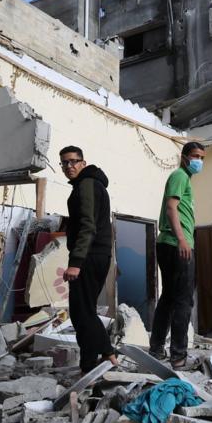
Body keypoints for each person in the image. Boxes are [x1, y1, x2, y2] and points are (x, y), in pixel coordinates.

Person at [59, 146, 117, 373]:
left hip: (90, 256)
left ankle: (106, 354)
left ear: (83, 163)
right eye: (64, 163)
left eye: (74, 162)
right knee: (85, 311)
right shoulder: (89, 184)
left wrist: (76, 262)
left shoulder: (87, 184)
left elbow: (88, 225)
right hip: (95, 254)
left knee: (81, 313)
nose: (69, 166)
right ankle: (91, 363)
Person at [149, 141, 206, 368]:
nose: (198, 161)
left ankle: (156, 349)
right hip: (176, 244)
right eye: (195, 156)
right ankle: (179, 356)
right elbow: (171, 207)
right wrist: (183, 239)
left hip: (169, 244)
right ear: (184, 157)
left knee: (169, 298)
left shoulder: (184, 178)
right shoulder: (180, 176)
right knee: (183, 301)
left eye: (202, 157)